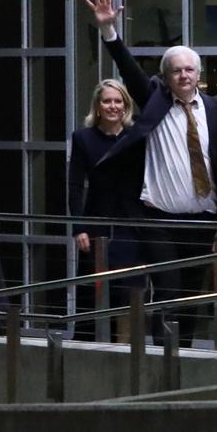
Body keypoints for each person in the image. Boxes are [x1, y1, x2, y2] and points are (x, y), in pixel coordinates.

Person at [85, 0, 217, 347]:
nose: (184, 75)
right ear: (166, 77)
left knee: (192, 292)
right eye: (176, 71)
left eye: (189, 69)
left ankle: (184, 352)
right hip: (159, 218)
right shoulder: (154, 101)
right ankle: (165, 355)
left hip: (202, 217)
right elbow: (130, 71)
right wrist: (109, 32)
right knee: (169, 288)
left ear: (199, 73)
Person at [68, 79, 141, 341]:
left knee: (127, 290)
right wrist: (79, 228)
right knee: (91, 291)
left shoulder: (135, 137)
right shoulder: (83, 138)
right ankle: (85, 350)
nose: (112, 106)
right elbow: (75, 186)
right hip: (95, 222)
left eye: (118, 101)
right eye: (107, 101)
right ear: (97, 106)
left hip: (130, 224)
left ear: (126, 105)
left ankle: (126, 350)